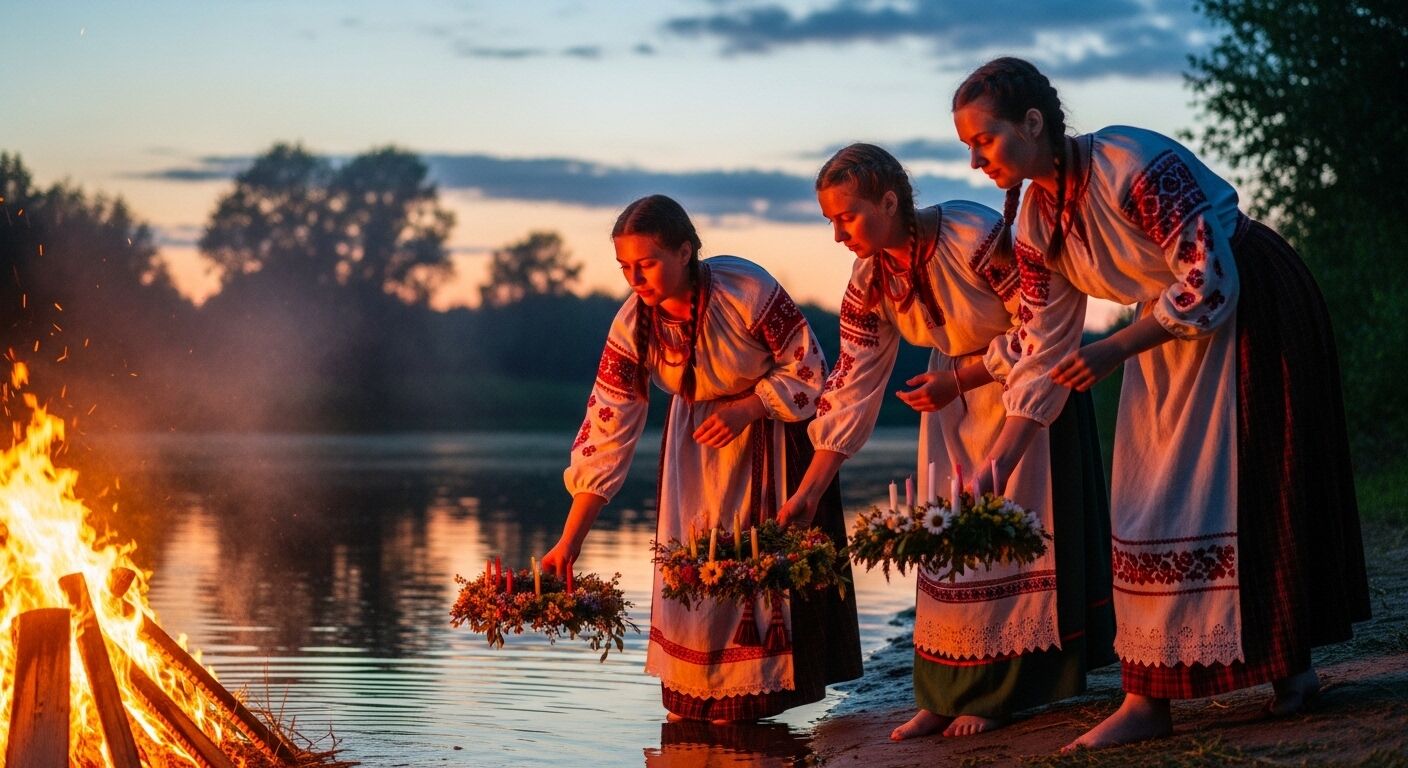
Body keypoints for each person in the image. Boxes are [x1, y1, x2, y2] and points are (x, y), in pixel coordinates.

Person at [951, 57, 1370, 751]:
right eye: (968, 146)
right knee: (1151, 498)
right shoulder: (1034, 222)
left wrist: (1117, 349)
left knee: (1251, 486)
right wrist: (1000, 462)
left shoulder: (1134, 164)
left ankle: (1289, 673)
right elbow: (1038, 343)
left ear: (1031, 123)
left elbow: (1208, 277)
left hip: (1246, 308)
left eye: (985, 140)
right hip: (1162, 332)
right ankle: (1147, 697)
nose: (975, 160)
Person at [777, 144, 1115, 740]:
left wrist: (961, 376)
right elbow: (851, 385)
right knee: (948, 551)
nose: (837, 235)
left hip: (1026, 393)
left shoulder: (972, 235)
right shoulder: (870, 279)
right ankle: (941, 694)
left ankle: (999, 696)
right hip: (952, 407)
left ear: (889, 200)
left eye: (847, 216)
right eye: (830, 220)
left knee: (1014, 544)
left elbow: (1042, 327)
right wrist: (809, 491)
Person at [543, 194, 862, 722]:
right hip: (694, 453)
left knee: (757, 571)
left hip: (772, 437)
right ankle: (696, 699)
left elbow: (811, 371)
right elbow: (607, 431)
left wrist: (747, 407)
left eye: (645, 264)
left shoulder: (745, 289)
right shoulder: (632, 325)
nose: (634, 278)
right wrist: (568, 542)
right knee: (693, 566)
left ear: (685, 250)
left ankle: (754, 708)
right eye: (625, 267)